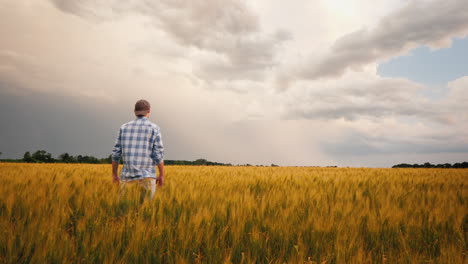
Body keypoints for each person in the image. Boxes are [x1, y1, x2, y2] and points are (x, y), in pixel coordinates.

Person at [111, 99, 164, 199]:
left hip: (127, 178)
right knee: (146, 210)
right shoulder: (154, 128)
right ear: (149, 111)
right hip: (147, 178)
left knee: (126, 209)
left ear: (134, 111)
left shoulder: (124, 127)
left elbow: (116, 153)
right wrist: (161, 174)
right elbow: (158, 154)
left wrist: (114, 174)